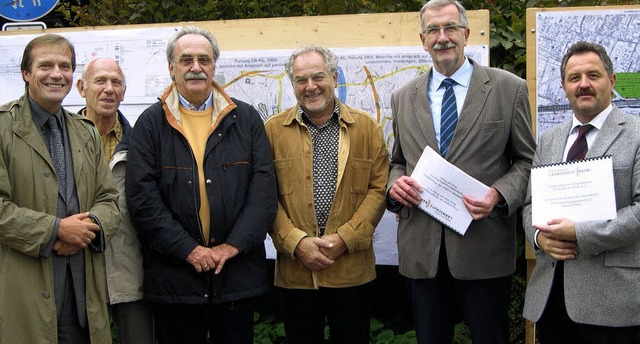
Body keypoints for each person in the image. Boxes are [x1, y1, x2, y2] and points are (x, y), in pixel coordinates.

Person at [386, 0, 536, 343]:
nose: (443, 38)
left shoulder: (508, 88)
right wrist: (395, 186)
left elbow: (527, 161)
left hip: (483, 247)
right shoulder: (402, 96)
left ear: (466, 34)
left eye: (450, 28)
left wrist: (499, 194)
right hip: (422, 252)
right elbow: (397, 161)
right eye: (433, 30)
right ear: (422, 41)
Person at [125, 26, 277, 344]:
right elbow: (142, 198)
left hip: (236, 273)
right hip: (175, 277)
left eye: (204, 59)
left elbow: (263, 190)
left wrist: (231, 246)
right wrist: (189, 250)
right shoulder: (150, 124)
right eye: (186, 60)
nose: (196, 67)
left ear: (214, 65)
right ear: (171, 68)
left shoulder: (246, 119)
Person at [264, 46, 389, 344]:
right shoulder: (272, 131)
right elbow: (263, 196)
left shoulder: (366, 128)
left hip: (351, 272)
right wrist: (297, 243)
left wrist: (344, 239)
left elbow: (379, 189)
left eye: (318, 77)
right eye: (300, 80)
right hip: (296, 274)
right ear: (292, 84)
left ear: (334, 77)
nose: (310, 87)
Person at [0, 34, 120, 343]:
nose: (56, 74)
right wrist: (55, 230)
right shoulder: (3, 129)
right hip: (23, 294)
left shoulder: (85, 132)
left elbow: (109, 200)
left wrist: (90, 226)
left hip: (82, 297)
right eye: (46, 65)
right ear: (26, 73)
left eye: (64, 66)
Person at [522, 41, 640, 344]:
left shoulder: (637, 135)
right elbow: (530, 205)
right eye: (575, 78)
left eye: (593, 75)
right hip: (552, 298)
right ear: (564, 86)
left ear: (611, 82)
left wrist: (579, 233)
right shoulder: (549, 140)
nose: (583, 84)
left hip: (615, 302)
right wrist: (539, 237)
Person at [76, 57, 154, 344]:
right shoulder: (61, 140)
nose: (109, 89)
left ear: (124, 92)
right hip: (77, 267)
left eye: (116, 83)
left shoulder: (142, 144)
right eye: (100, 81)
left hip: (131, 268)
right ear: (81, 87)